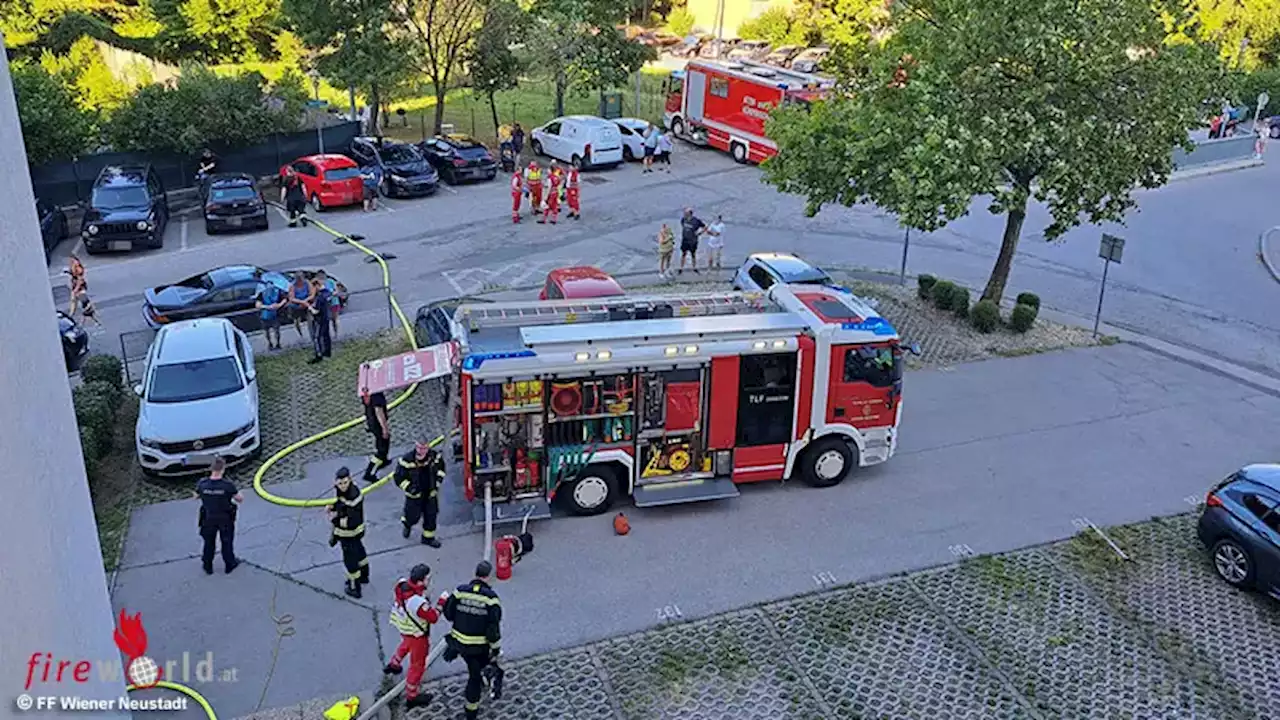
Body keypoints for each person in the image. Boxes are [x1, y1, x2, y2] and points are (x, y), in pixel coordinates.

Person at [442, 561, 504, 719]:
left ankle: (483, 678)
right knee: (474, 677)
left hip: (459, 645)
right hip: (478, 648)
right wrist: (496, 650)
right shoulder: (491, 599)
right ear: (488, 577)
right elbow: (493, 631)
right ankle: (471, 711)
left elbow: (449, 614)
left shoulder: (460, 591)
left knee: (474, 668)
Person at [384, 564, 445, 709]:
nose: (429, 581)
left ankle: (394, 664)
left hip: (404, 628)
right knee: (417, 665)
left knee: (405, 645)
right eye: (427, 579)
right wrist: (442, 601)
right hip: (418, 635)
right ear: (420, 582)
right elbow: (433, 617)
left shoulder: (402, 584)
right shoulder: (417, 603)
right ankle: (412, 696)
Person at [197, 456, 242, 575]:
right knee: (226, 542)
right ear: (223, 469)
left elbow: (196, 496)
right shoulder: (227, 485)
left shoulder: (202, 484)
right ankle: (229, 564)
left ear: (211, 468)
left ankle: (207, 566)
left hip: (208, 518)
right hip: (225, 518)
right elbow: (239, 499)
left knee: (209, 542)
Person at [396, 439, 445, 548]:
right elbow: (398, 478)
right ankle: (407, 525)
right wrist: (409, 488)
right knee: (411, 516)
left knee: (431, 517)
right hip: (414, 497)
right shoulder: (406, 460)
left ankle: (428, 538)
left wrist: (437, 483)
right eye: (418, 447)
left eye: (423, 448)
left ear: (428, 447)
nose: (420, 451)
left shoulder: (435, 457)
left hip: (430, 494)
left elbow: (441, 469)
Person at [328, 467, 369, 598]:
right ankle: (364, 576)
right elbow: (342, 504)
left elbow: (351, 521)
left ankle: (354, 588)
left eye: (345, 483)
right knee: (360, 553)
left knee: (350, 561)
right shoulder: (348, 491)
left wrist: (334, 520)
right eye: (340, 484)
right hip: (356, 533)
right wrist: (333, 507)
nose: (343, 486)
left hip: (349, 534)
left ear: (350, 480)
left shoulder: (352, 496)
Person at [360, 388, 392, 482]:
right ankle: (369, 473)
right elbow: (379, 411)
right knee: (381, 449)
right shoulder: (376, 394)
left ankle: (384, 461)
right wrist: (385, 429)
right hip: (378, 425)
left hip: (371, 422)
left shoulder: (365, 390)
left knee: (381, 444)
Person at [308, 272, 333, 364]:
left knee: (317, 337)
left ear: (316, 286)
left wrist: (310, 308)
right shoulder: (327, 293)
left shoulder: (319, 297)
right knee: (326, 336)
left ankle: (319, 355)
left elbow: (316, 311)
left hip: (319, 319)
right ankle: (327, 352)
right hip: (326, 317)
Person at [255, 281, 286, 350]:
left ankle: (278, 343)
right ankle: (270, 343)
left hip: (275, 315)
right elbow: (257, 305)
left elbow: (284, 299)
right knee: (266, 331)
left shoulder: (278, 292)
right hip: (264, 315)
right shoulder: (262, 294)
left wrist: (279, 305)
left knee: (276, 330)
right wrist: (268, 307)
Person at [286, 273, 315, 340]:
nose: (300, 280)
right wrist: (301, 302)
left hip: (306, 303)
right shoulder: (292, 285)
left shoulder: (307, 283)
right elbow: (291, 298)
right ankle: (301, 335)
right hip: (296, 305)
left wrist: (305, 300)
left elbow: (312, 294)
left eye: (301, 278)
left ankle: (312, 335)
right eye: (298, 278)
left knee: (310, 319)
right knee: (297, 321)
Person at [678, 207, 705, 274]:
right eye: (684, 213)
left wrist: (699, 233)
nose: (684, 214)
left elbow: (704, 227)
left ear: (690, 213)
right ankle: (681, 268)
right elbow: (683, 226)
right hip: (685, 240)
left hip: (693, 241)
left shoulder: (696, 221)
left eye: (686, 213)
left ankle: (694, 268)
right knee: (683, 254)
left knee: (693, 254)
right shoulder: (683, 219)